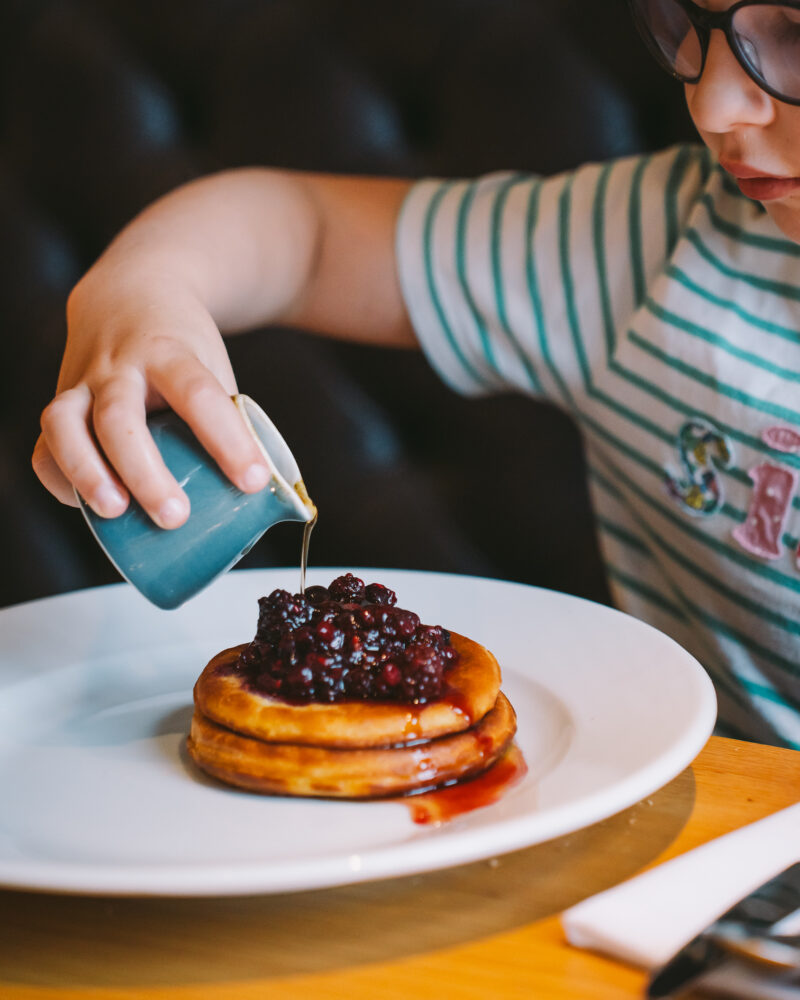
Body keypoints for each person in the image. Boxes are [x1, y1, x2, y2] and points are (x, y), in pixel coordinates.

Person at [31, 0, 800, 749]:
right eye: (688, 25)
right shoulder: (646, 245)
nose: (714, 103)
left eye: (792, 30)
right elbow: (305, 235)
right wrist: (140, 295)